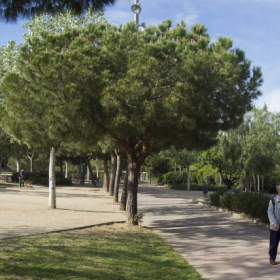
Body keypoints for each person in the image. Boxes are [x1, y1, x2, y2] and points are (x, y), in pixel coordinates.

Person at [268, 185, 280, 265]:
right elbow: (270, 212)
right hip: (276, 227)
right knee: (274, 244)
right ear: (278, 191)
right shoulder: (273, 201)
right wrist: (274, 223)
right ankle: (272, 258)